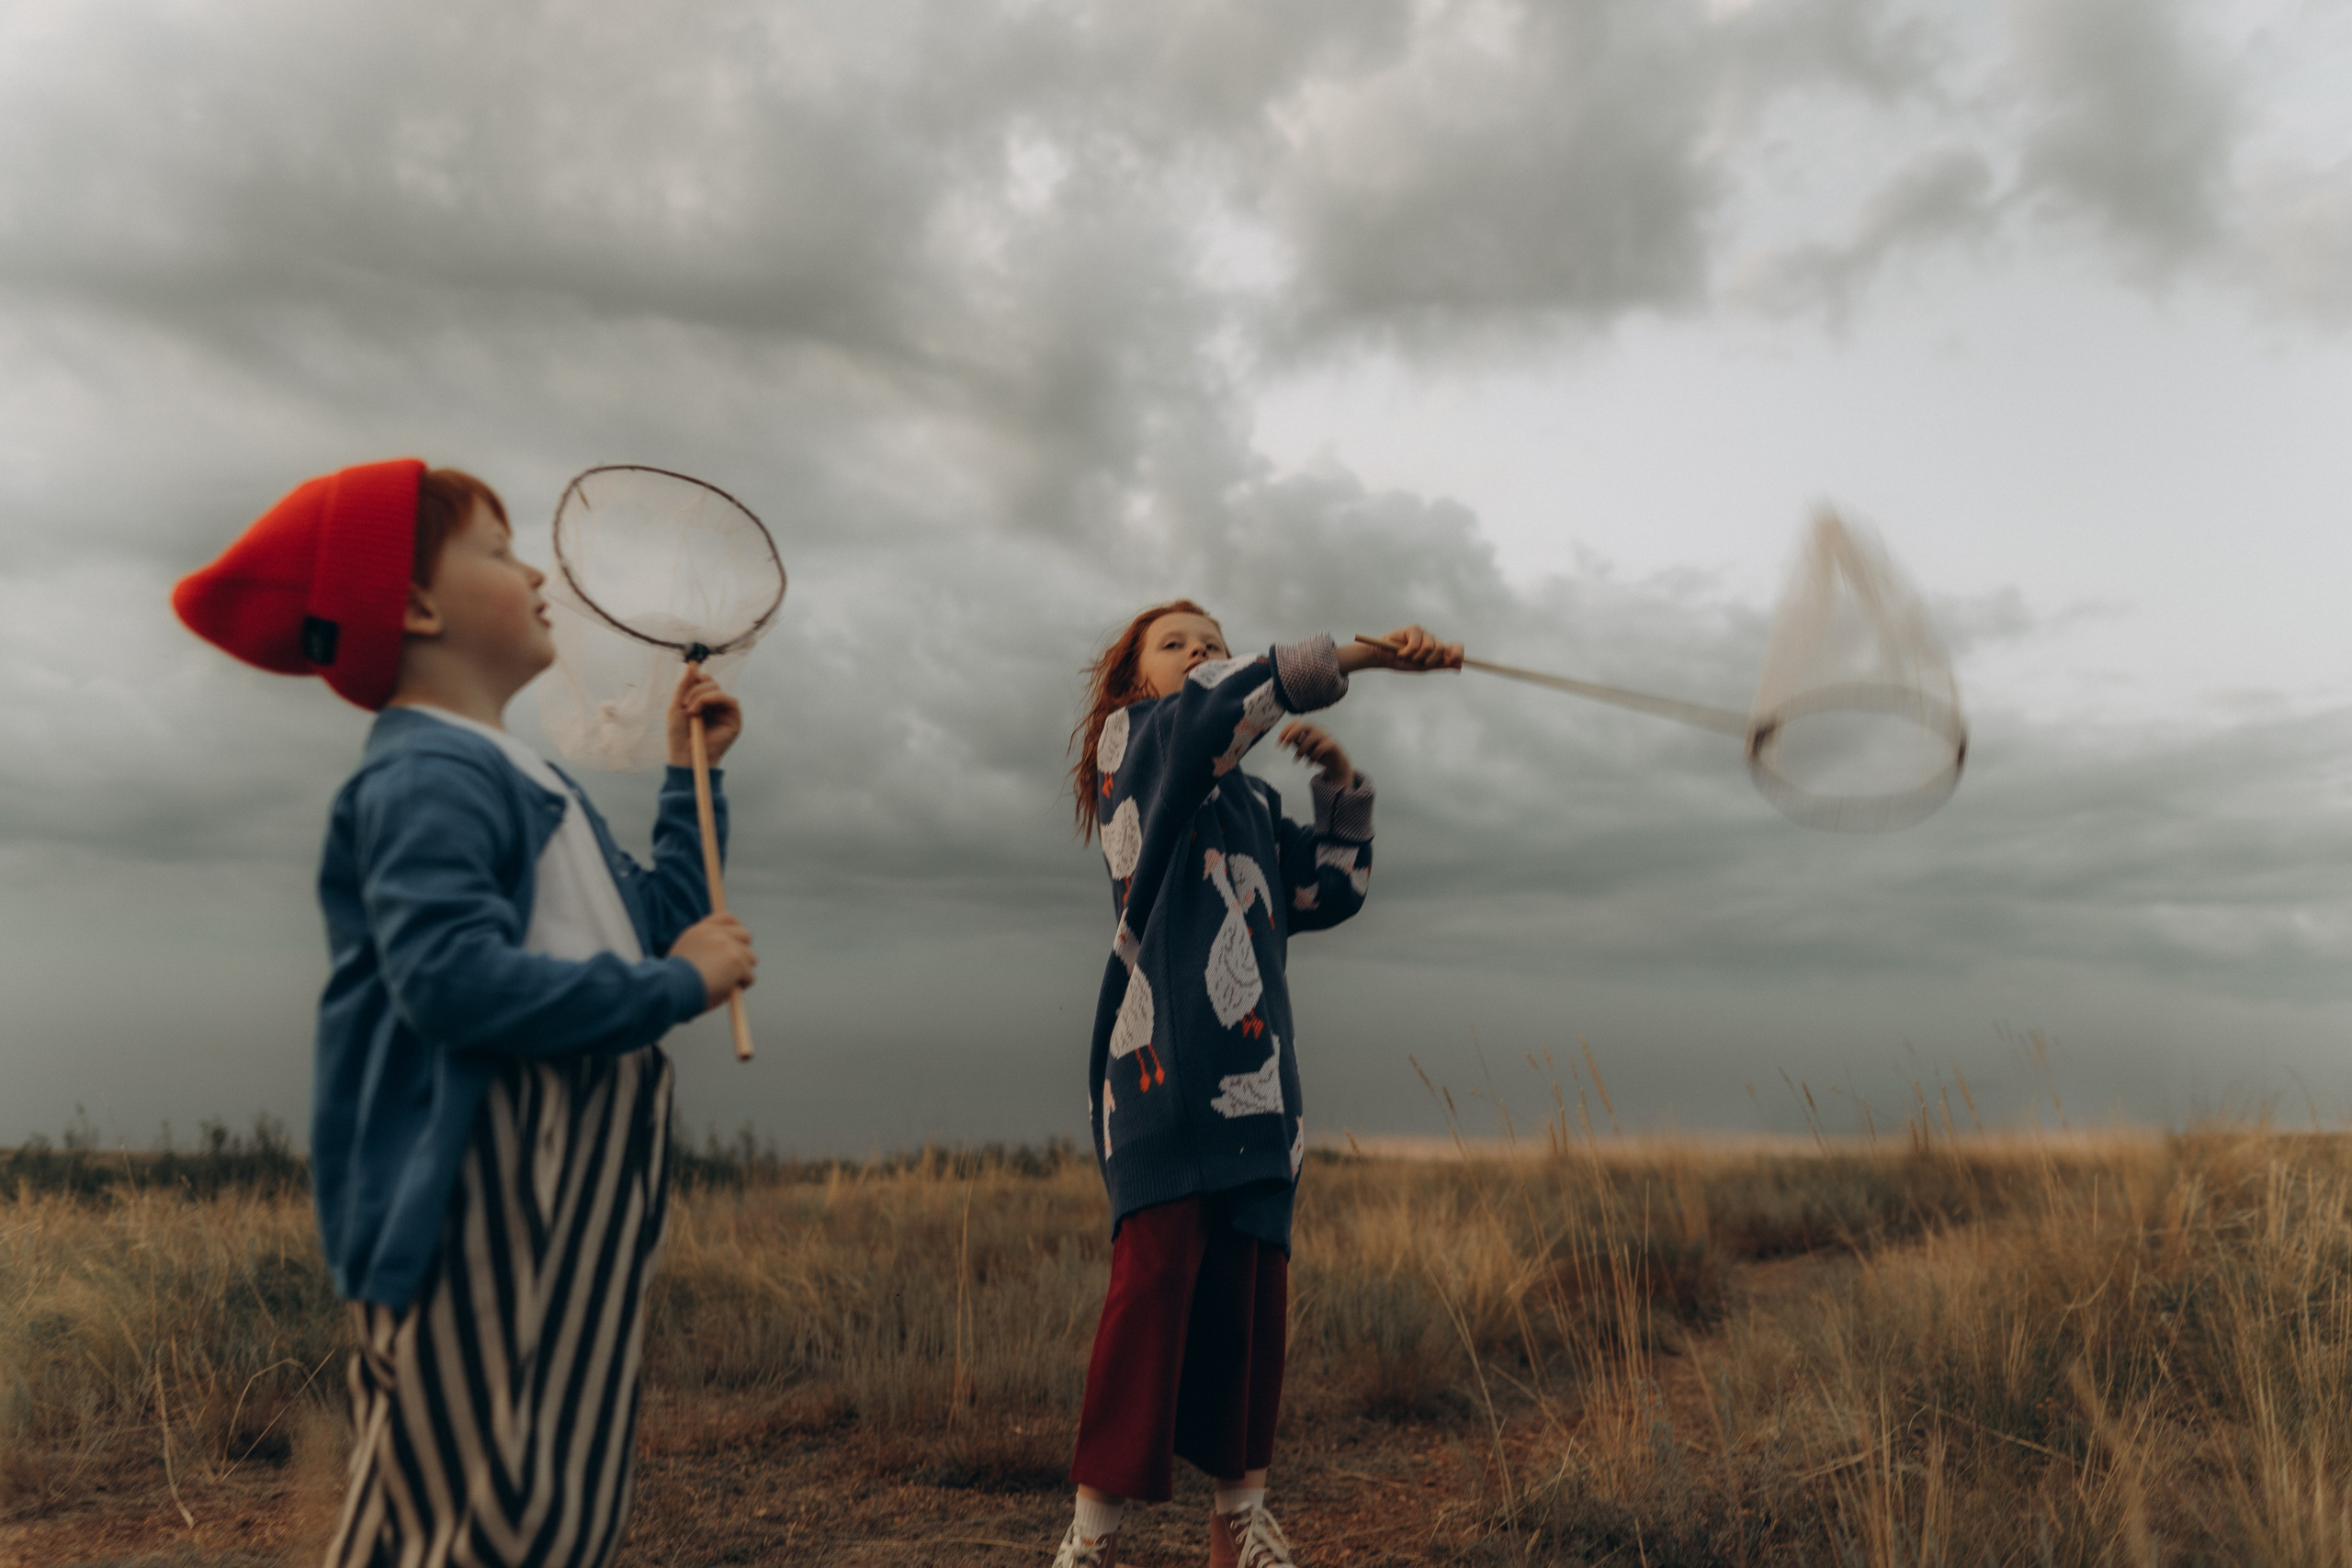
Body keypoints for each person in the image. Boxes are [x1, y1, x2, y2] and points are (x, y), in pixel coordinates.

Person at [171, 459, 756, 1568]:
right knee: (463, 1520)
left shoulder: (525, 776)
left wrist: (691, 777)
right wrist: (678, 985)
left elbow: (656, 924)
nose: (533, 569)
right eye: (497, 550)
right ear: (413, 604)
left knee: (544, 1513)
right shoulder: (428, 774)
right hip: (479, 1200)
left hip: (572, 1197)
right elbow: (451, 981)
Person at [1055, 604, 1460, 1568]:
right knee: (1149, 1291)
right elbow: (1221, 704)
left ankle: (1239, 1526)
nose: (1199, 652)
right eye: (1176, 642)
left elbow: (1326, 896)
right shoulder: (1139, 744)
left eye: (1209, 637)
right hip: (1159, 1081)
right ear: (1131, 679)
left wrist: (1343, 790)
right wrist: (1369, 653)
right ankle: (1093, 1536)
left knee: (1249, 1303)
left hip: (1258, 1086)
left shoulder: (1249, 803)